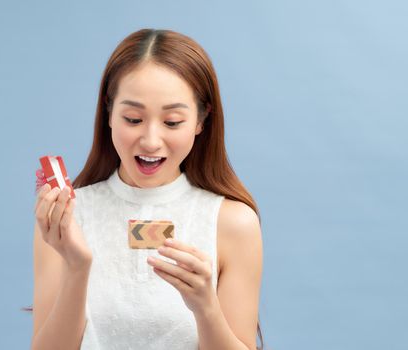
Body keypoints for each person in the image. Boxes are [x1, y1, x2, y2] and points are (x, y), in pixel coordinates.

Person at [30, 28, 264, 350]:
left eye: (172, 122)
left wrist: (205, 308)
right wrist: (77, 266)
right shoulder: (67, 217)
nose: (151, 141)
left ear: (201, 120)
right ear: (109, 113)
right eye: (133, 118)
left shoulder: (234, 223)